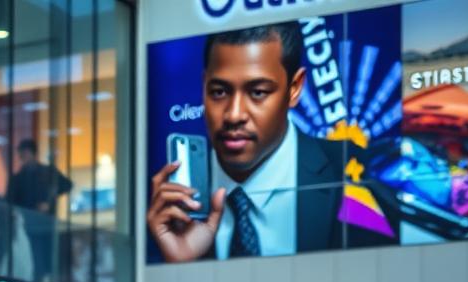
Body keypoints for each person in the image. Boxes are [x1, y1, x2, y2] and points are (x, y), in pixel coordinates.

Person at [147, 22, 352, 264]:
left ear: (294, 89)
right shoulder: (166, 207)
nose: (234, 115)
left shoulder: (355, 175)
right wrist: (180, 267)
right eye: (219, 92)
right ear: (203, 86)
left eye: (258, 92)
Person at [7, 139, 72, 282]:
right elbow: (9, 201)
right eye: (20, 155)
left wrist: (50, 200)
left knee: (48, 258)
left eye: (24, 154)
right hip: (29, 226)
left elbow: (66, 185)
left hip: (47, 225)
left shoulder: (48, 172)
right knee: (34, 259)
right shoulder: (18, 178)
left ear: (32, 154)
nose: (22, 159)